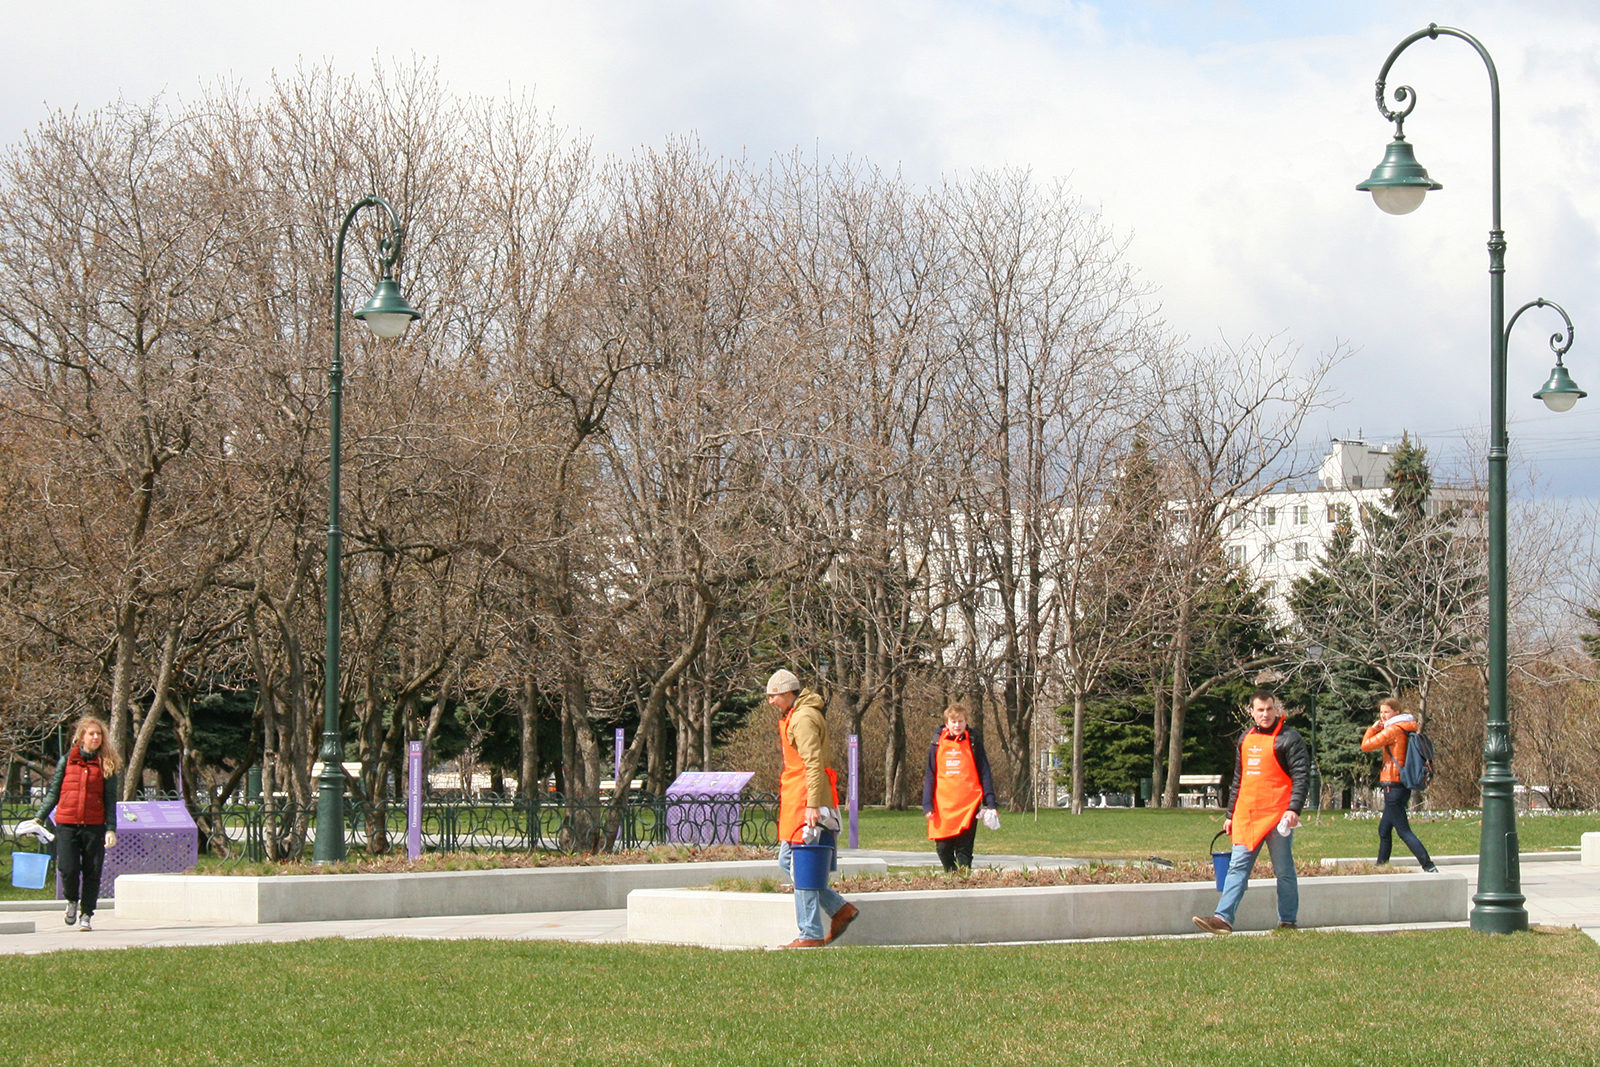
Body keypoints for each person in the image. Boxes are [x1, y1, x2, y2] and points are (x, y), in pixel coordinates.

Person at [1193, 689, 1310, 934]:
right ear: (1252, 712)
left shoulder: (1290, 738)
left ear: (1276, 709)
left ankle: (1287, 921)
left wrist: (1293, 809)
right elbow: (1239, 779)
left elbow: (1301, 776)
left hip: (1278, 817)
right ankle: (1222, 919)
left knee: (1284, 871)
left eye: (1269, 709)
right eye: (1260, 710)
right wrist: (1230, 815)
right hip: (1247, 816)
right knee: (1237, 868)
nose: (1265, 714)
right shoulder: (1246, 738)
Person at [768, 668, 858, 948]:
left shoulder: (804, 718)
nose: (771, 702)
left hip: (806, 799)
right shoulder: (795, 715)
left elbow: (813, 763)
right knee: (788, 861)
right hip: (798, 796)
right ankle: (840, 909)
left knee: (801, 864)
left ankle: (810, 934)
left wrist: (813, 804)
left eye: (774, 696)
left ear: (787, 693)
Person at [36, 716, 120, 932]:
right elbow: (54, 792)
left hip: (94, 826)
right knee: (68, 868)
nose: (95, 737)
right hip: (67, 823)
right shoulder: (67, 761)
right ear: (81, 737)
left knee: (92, 871)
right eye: (91, 733)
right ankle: (71, 900)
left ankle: (86, 914)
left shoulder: (106, 764)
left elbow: (111, 800)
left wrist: (110, 828)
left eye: (99, 734)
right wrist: (39, 817)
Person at [1361, 696, 1439, 872]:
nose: (1382, 716)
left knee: (1403, 831)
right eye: (1381, 712)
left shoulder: (1393, 730)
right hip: (1402, 784)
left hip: (1392, 783)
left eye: (1386, 712)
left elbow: (1366, 745)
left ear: (1396, 712)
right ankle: (1381, 865)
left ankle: (1428, 865)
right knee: (1384, 829)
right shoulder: (1406, 727)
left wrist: (1372, 729)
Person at [922, 703, 998, 872]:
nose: (957, 725)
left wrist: (991, 803)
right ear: (947, 723)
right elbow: (930, 774)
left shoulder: (973, 741)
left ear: (966, 722)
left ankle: (963, 883)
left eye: (961, 721)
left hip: (968, 805)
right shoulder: (937, 743)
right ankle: (952, 876)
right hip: (943, 806)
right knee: (943, 848)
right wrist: (927, 804)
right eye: (954, 721)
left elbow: (984, 771)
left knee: (964, 851)